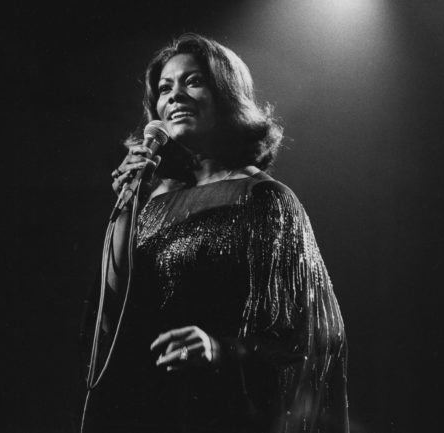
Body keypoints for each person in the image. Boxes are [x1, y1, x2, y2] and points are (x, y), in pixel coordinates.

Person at [81, 33, 348, 433]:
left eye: (193, 81)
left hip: (220, 407)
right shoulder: (152, 199)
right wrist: (128, 204)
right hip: (149, 403)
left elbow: (308, 332)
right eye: (165, 88)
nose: (175, 96)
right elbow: (115, 295)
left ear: (226, 95)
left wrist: (221, 349)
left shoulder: (263, 198)